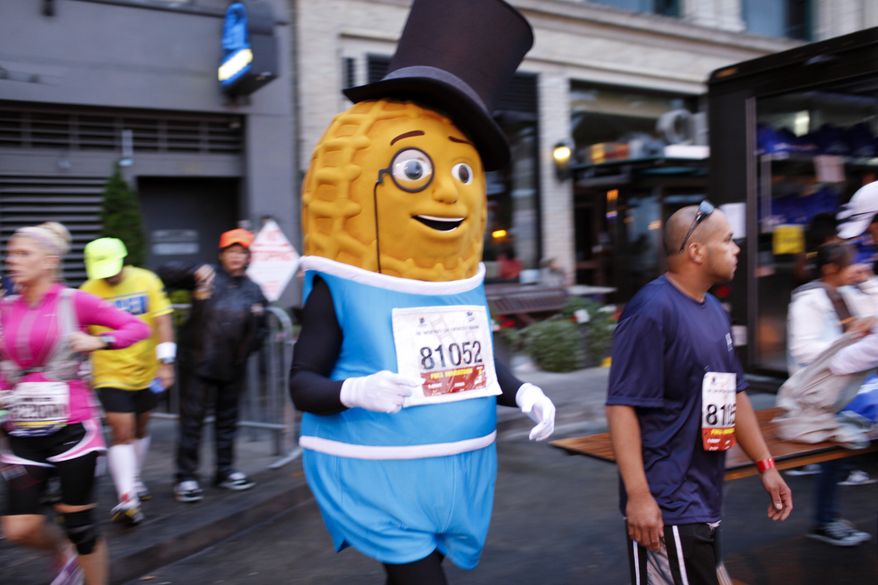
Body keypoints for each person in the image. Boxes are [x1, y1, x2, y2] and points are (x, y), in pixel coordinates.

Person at [606, 202, 792, 585]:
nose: (736, 249)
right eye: (727, 241)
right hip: (666, 506)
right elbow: (621, 406)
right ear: (696, 251)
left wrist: (767, 467)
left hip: (703, 495)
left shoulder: (715, 311)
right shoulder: (651, 310)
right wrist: (639, 496)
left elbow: (735, 393)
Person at [0, 222, 149, 585]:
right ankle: (61, 554)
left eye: (23, 254)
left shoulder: (74, 301)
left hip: (73, 430)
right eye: (11, 254)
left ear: (49, 261)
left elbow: (136, 328)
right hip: (21, 429)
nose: (12, 261)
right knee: (18, 529)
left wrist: (99, 343)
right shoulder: (5, 307)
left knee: (80, 525)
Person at [158, 228, 267, 503]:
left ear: (248, 257)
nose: (236, 257)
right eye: (231, 252)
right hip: (198, 364)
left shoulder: (254, 289)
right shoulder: (205, 277)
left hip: (233, 367)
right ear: (222, 255)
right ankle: (185, 477)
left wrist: (245, 350)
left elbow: (262, 330)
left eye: (241, 253)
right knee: (191, 422)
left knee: (227, 421)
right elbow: (164, 273)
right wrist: (193, 270)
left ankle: (225, 470)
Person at [80, 237, 175, 526]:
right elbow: (78, 331)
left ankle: (133, 477)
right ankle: (127, 498)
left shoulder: (146, 280)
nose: (108, 275)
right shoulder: (86, 291)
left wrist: (166, 362)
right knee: (122, 431)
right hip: (109, 373)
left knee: (141, 427)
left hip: (146, 370)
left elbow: (163, 321)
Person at [787, 241, 875, 547]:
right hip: (820, 394)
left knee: (838, 457)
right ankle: (825, 519)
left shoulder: (849, 293)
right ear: (830, 269)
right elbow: (802, 349)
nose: (855, 268)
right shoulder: (807, 302)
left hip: (848, 390)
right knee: (832, 459)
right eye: (849, 264)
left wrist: (866, 284)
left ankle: (827, 518)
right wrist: (844, 348)